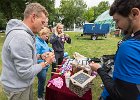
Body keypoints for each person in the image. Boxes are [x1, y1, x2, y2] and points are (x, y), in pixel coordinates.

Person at [0, 3, 55, 100]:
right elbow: (25, 73)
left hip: (21, 84)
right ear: (33, 17)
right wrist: (46, 62)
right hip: (18, 88)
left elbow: (26, 58)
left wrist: (40, 56)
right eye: (42, 22)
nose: (43, 27)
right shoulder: (21, 37)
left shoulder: (24, 34)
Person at [89, 0, 140, 100]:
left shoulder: (129, 47)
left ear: (134, 14)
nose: (117, 26)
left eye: (117, 20)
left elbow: (120, 95)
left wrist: (99, 69)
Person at [36, 27, 53, 100]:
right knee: (42, 80)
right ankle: (39, 96)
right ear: (41, 34)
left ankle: (42, 91)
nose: (47, 38)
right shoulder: (37, 42)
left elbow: (46, 47)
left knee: (43, 80)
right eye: (46, 36)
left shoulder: (43, 41)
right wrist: (44, 56)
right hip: (41, 65)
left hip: (45, 64)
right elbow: (35, 56)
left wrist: (51, 49)